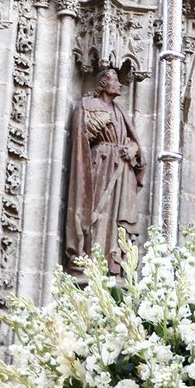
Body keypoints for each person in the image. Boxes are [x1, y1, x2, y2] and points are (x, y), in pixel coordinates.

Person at [65, 68, 145, 274]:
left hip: (123, 170)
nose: (119, 84)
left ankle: (115, 262)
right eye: (114, 80)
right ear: (102, 83)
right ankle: (92, 259)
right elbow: (81, 135)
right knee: (98, 211)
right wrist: (97, 123)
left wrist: (133, 149)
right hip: (101, 165)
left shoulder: (120, 111)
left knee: (119, 217)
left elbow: (132, 141)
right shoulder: (87, 105)